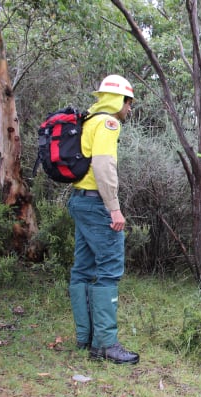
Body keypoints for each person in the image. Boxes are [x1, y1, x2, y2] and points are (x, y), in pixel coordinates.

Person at [67, 74, 139, 364]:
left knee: (82, 269)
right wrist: (114, 208)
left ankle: (85, 338)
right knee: (109, 270)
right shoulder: (109, 123)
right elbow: (104, 167)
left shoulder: (89, 120)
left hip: (79, 201)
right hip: (97, 205)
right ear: (118, 100)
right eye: (129, 103)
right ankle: (106, 345)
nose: (130, 109)